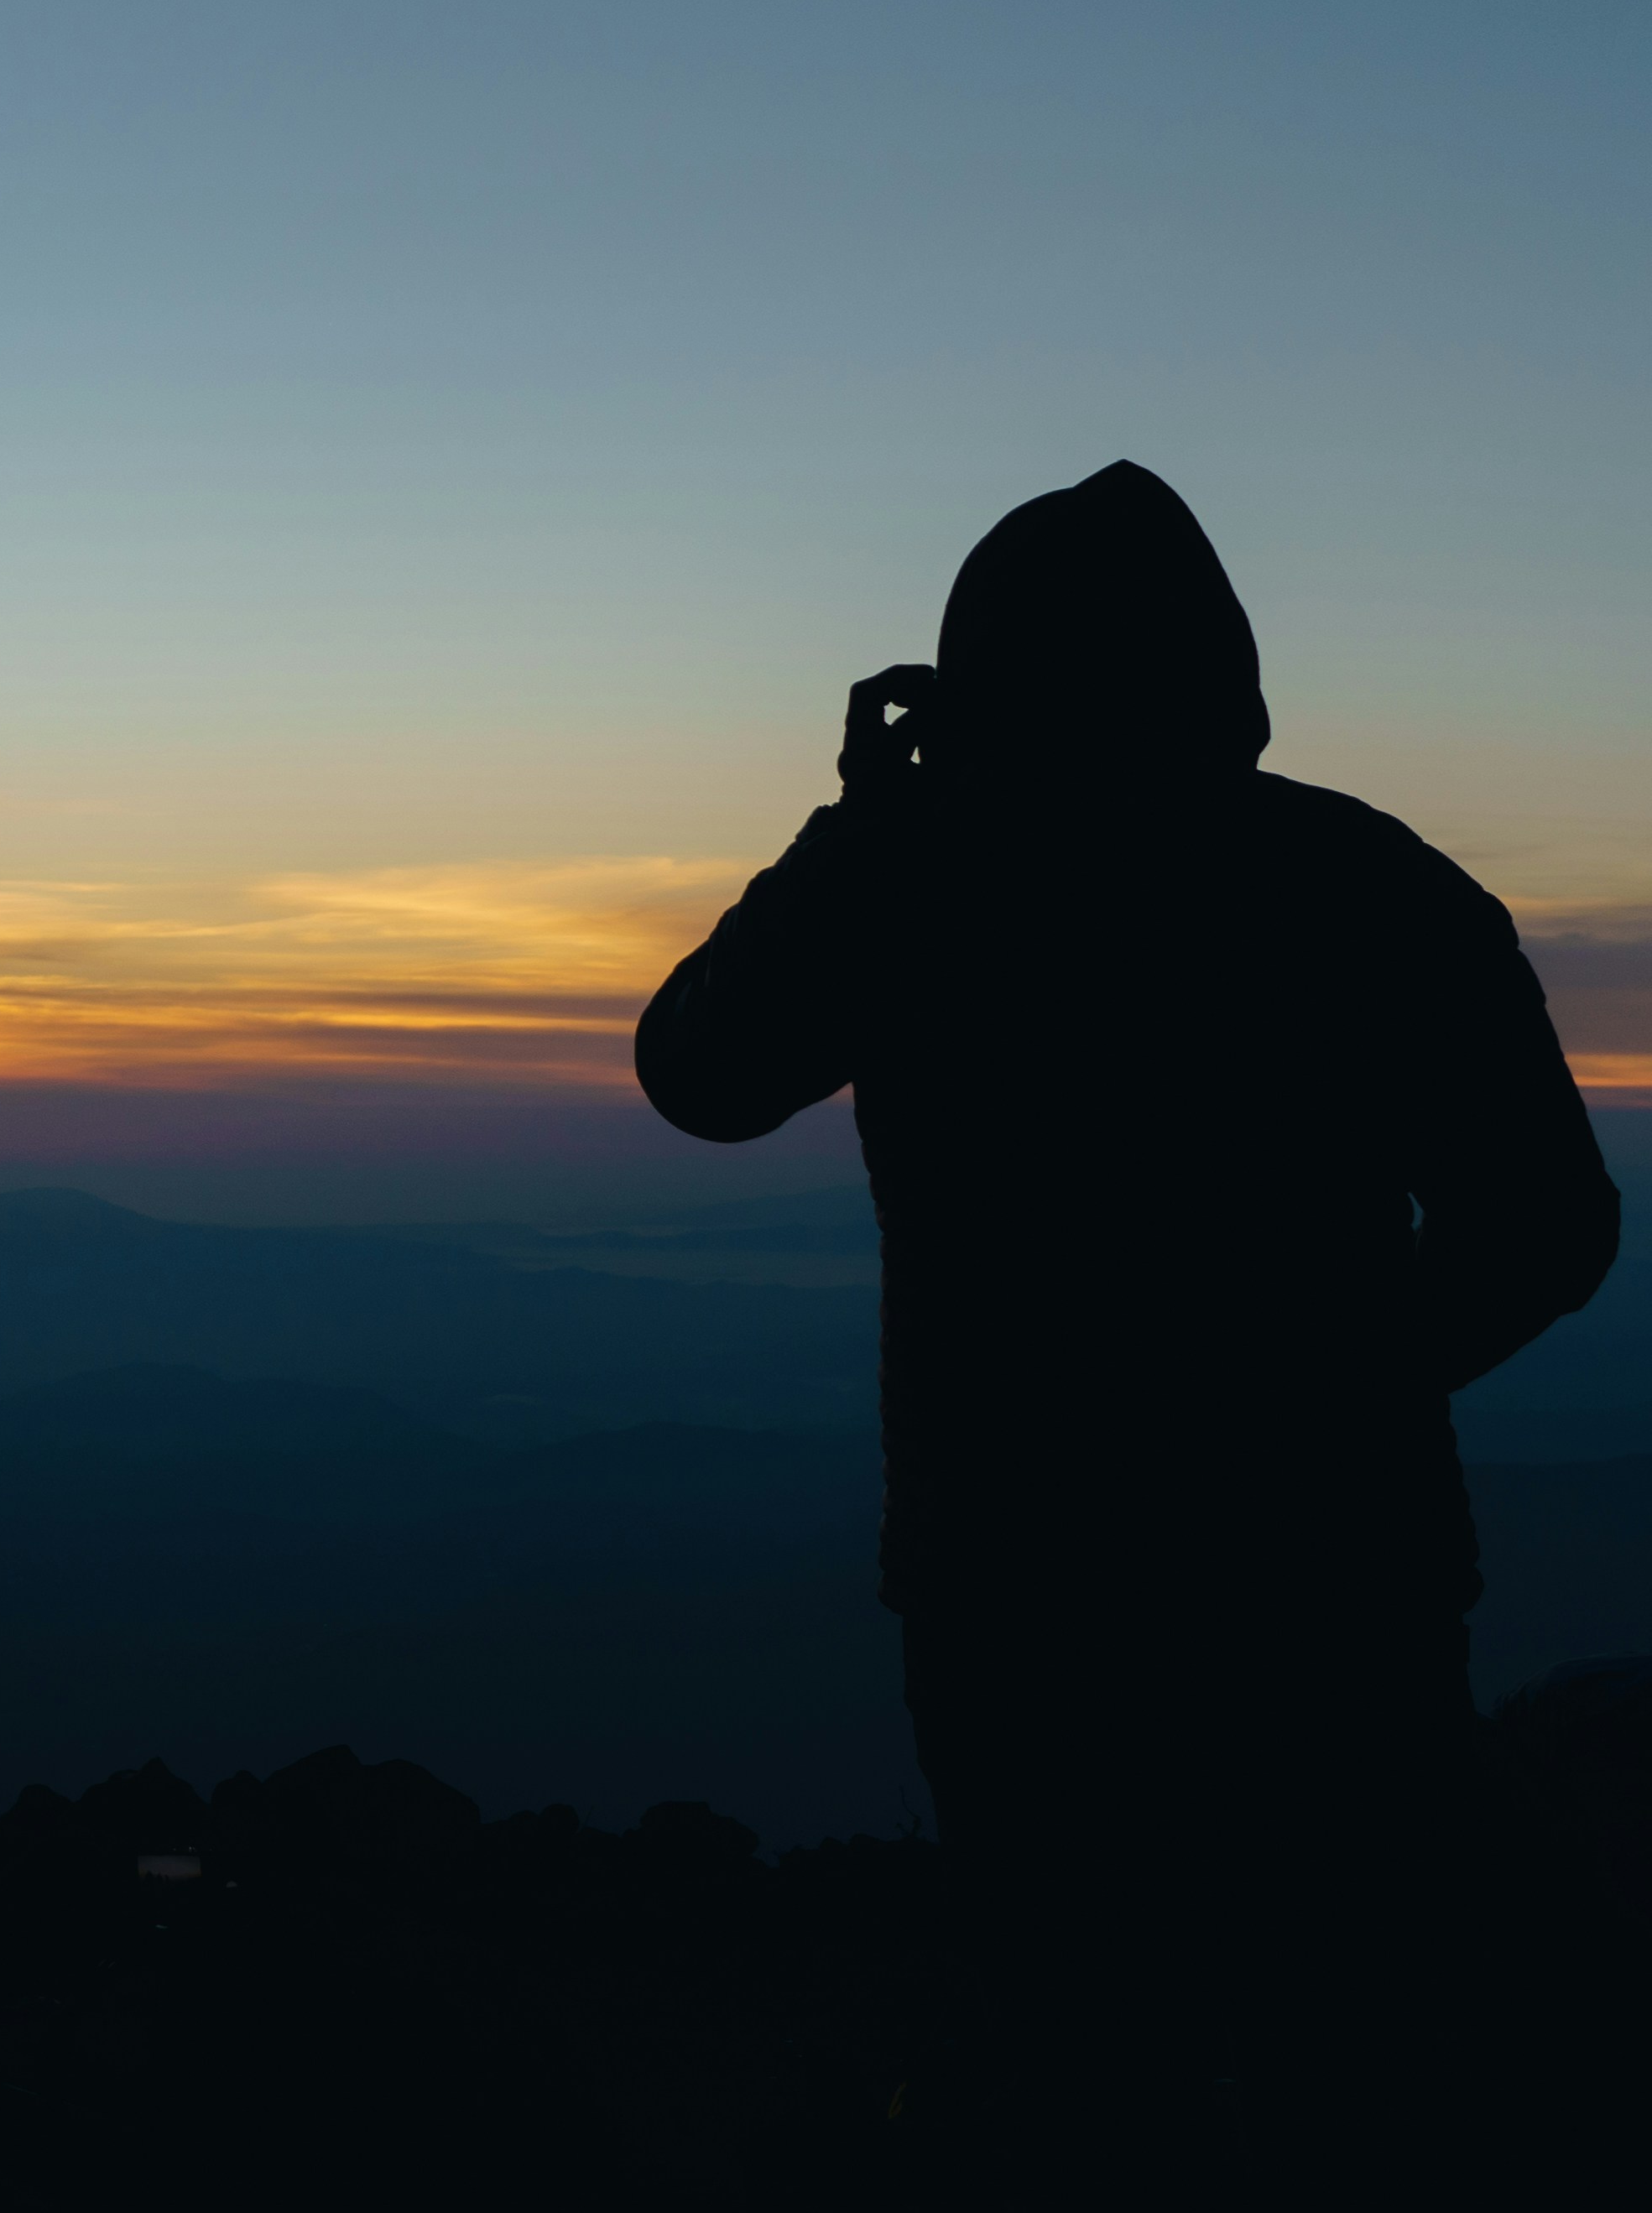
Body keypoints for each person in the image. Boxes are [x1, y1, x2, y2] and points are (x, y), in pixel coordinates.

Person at [635, 461, 1619, 2162]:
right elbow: (1549, 1225)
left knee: (1093, 2069)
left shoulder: (926, 886)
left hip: (1024, 1589)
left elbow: (703, 1070)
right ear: (1221, 671)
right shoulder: (1373, 884)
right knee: (1361, 2070)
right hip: (1334, 1583)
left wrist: (857, 830)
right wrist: (1341, 1401)